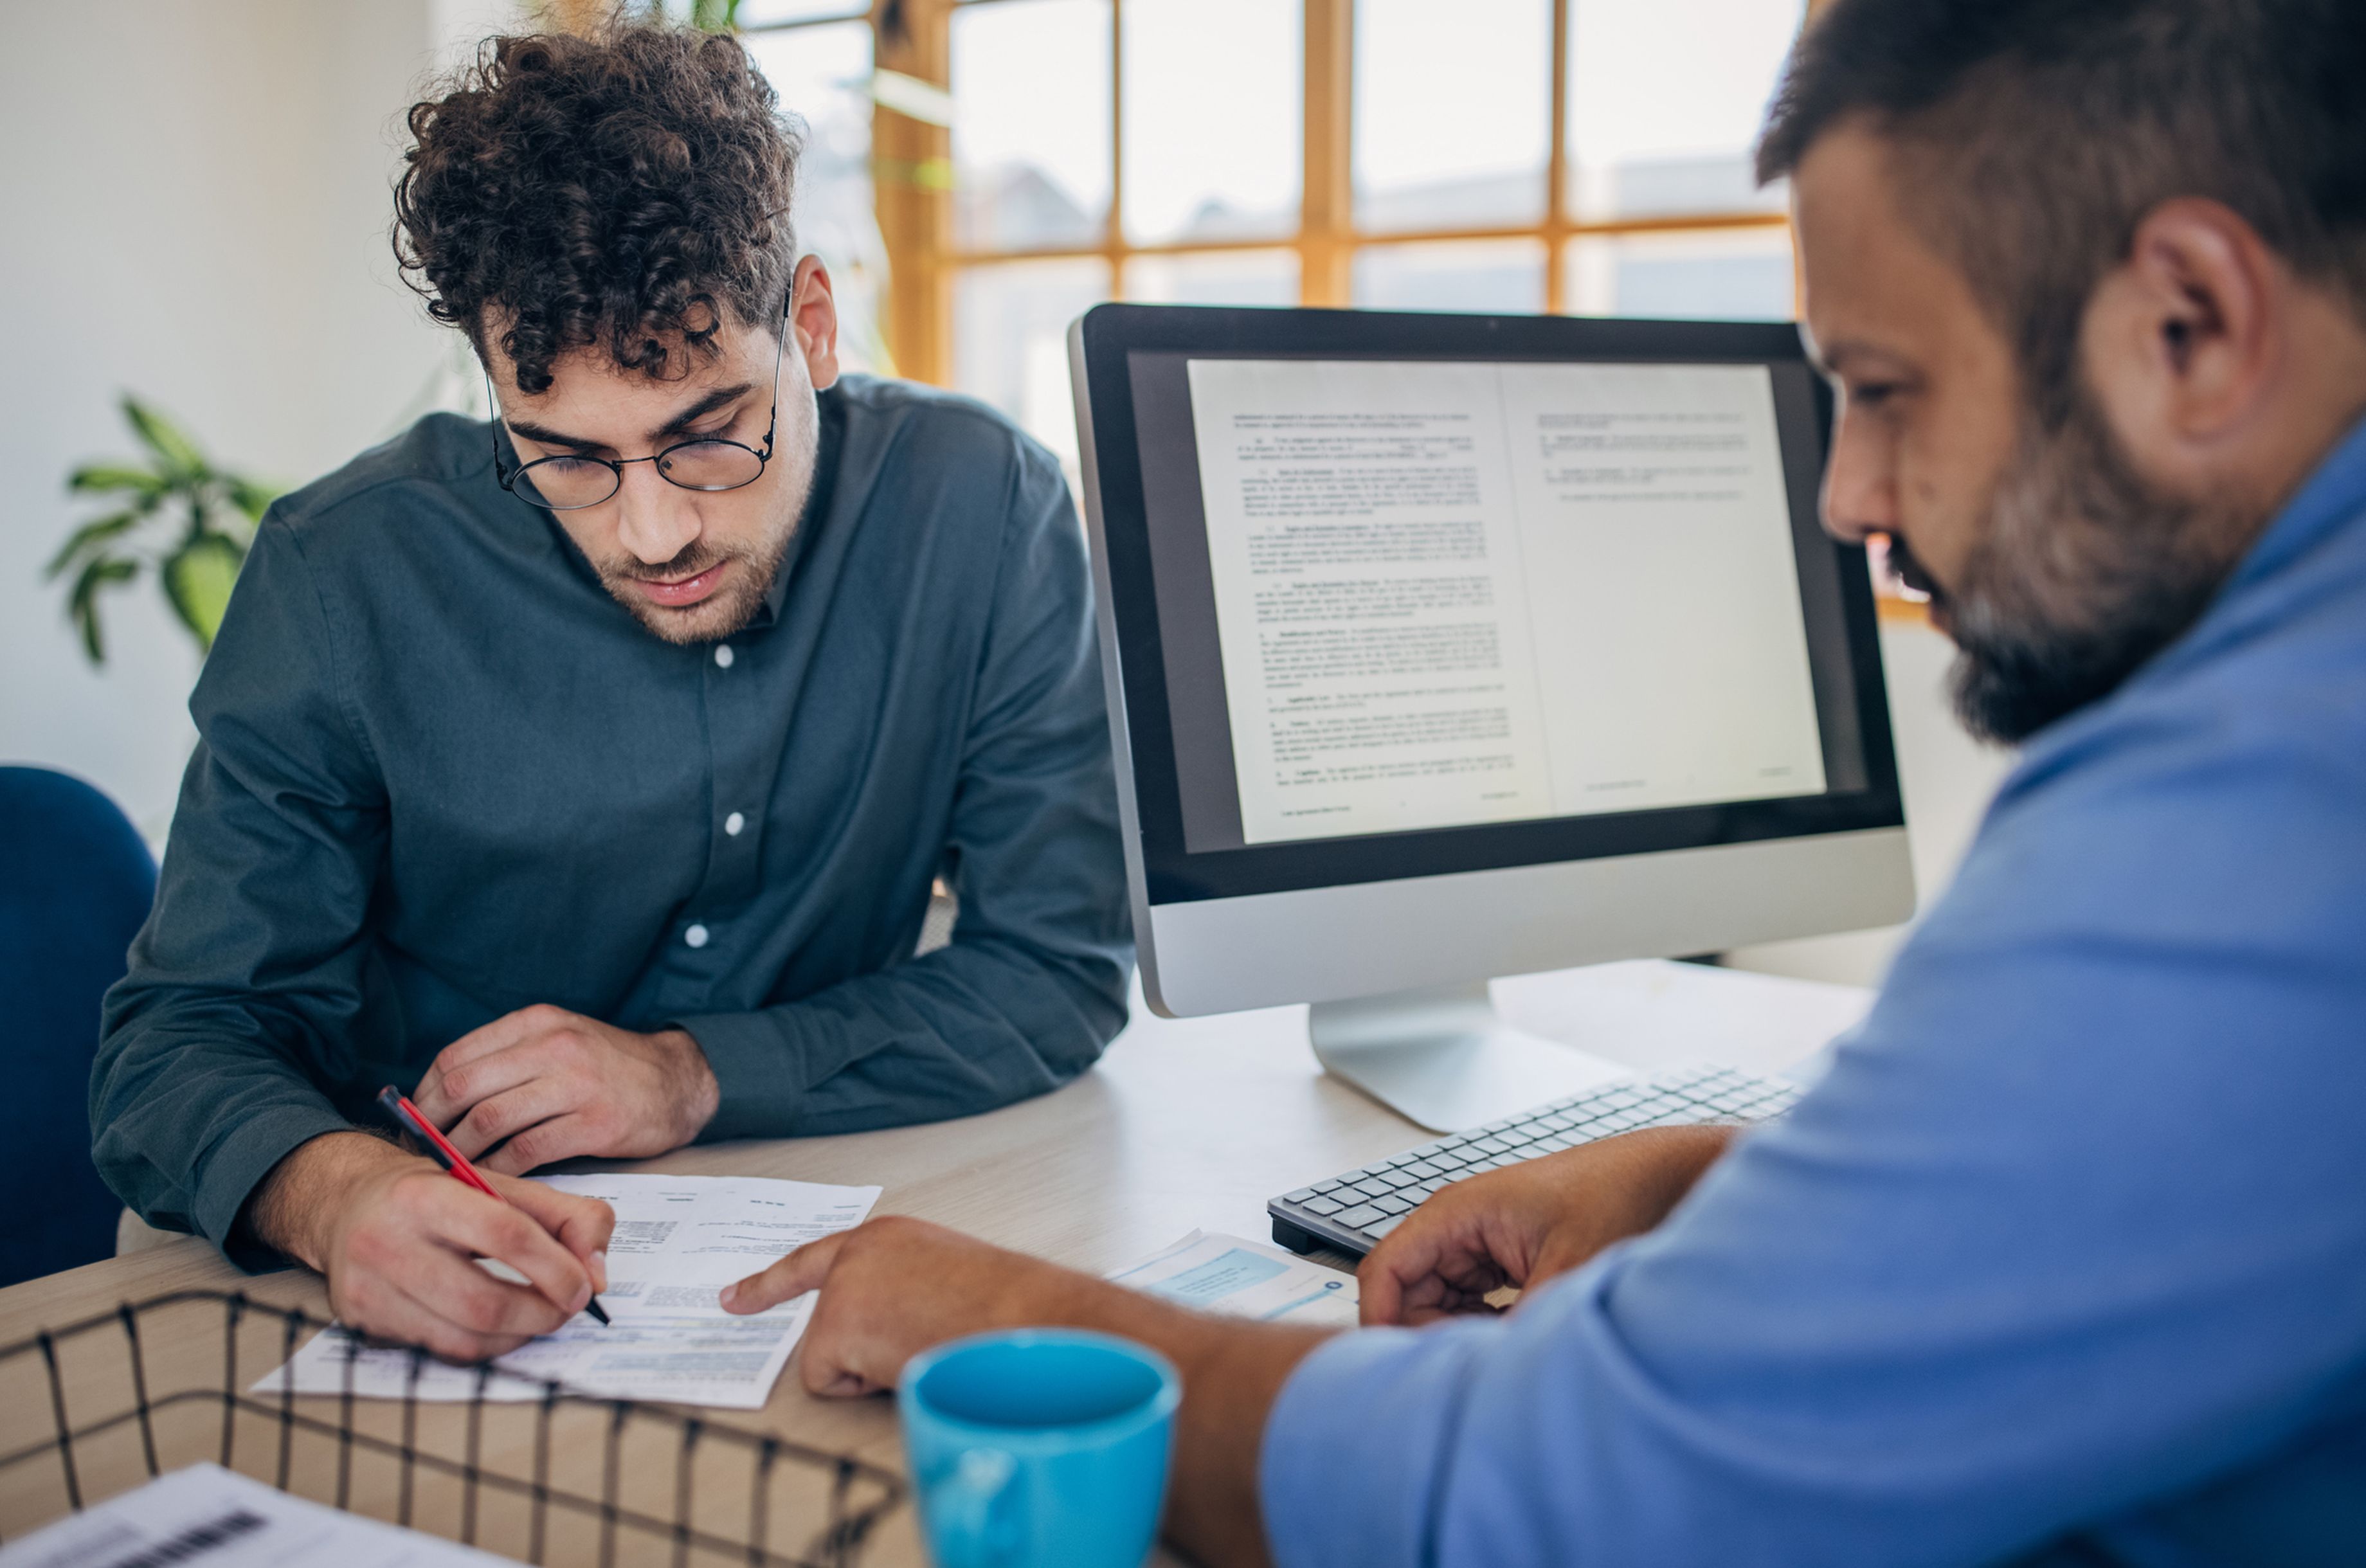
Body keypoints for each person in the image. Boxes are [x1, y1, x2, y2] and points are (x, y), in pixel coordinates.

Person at [720, 1, 2366, 1562]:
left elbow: (1546, 1511)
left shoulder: (2256, 829)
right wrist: (1714, 1175)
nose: (1847, 493)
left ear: (2192, 324)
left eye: (1881, 388)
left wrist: (1013, 1314)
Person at [89, 26, 1133, 1363]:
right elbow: (177, 1041)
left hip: (815, 1279)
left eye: (706, 435)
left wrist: (692, 1073)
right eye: (567, 459)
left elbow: (1054, 971)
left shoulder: (982, 510)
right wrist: (343, 1194)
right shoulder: (345, 575)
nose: (651, 532)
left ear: (810, 325)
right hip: (415, 1306)